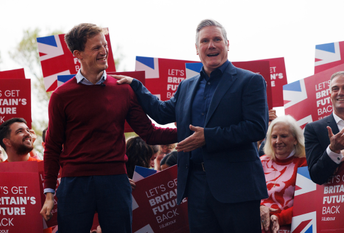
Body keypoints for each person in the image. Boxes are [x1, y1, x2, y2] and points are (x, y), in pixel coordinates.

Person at [114, 19, 268, 233]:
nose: (211, 45)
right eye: (205, 41)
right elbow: (161, 112)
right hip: (196, 188)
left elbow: (256, 128)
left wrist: (209, 136)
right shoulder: (186, 86)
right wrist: (136, 86)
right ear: (197, 49)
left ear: (227, 44)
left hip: (237, 189)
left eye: (217, 39)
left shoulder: (250, 81)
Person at [40, 23, 177, 233]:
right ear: (78, 54)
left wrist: (189, 132)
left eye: (104, 45)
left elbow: (149, 133)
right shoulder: (60, 96)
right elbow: (52, 147)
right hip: (74, 183)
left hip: (115, 182)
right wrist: (49, 193)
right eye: (96, 47)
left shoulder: (123, 90)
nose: (104, 51)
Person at [305, 71, 344, 185]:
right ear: (330, 94)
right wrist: (333, 151)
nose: (340, 93)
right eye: (335, 89)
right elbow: (316, 176)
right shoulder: (314, 129)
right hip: (333, 199)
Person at [260, 115, 307, 233]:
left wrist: (279, 218)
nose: (278, 141)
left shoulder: (304, 163)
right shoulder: (260, 162)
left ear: (295, 139)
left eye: (284, 136)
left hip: (288, 226)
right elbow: (247, 196)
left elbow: (306, 203)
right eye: (274, 137)